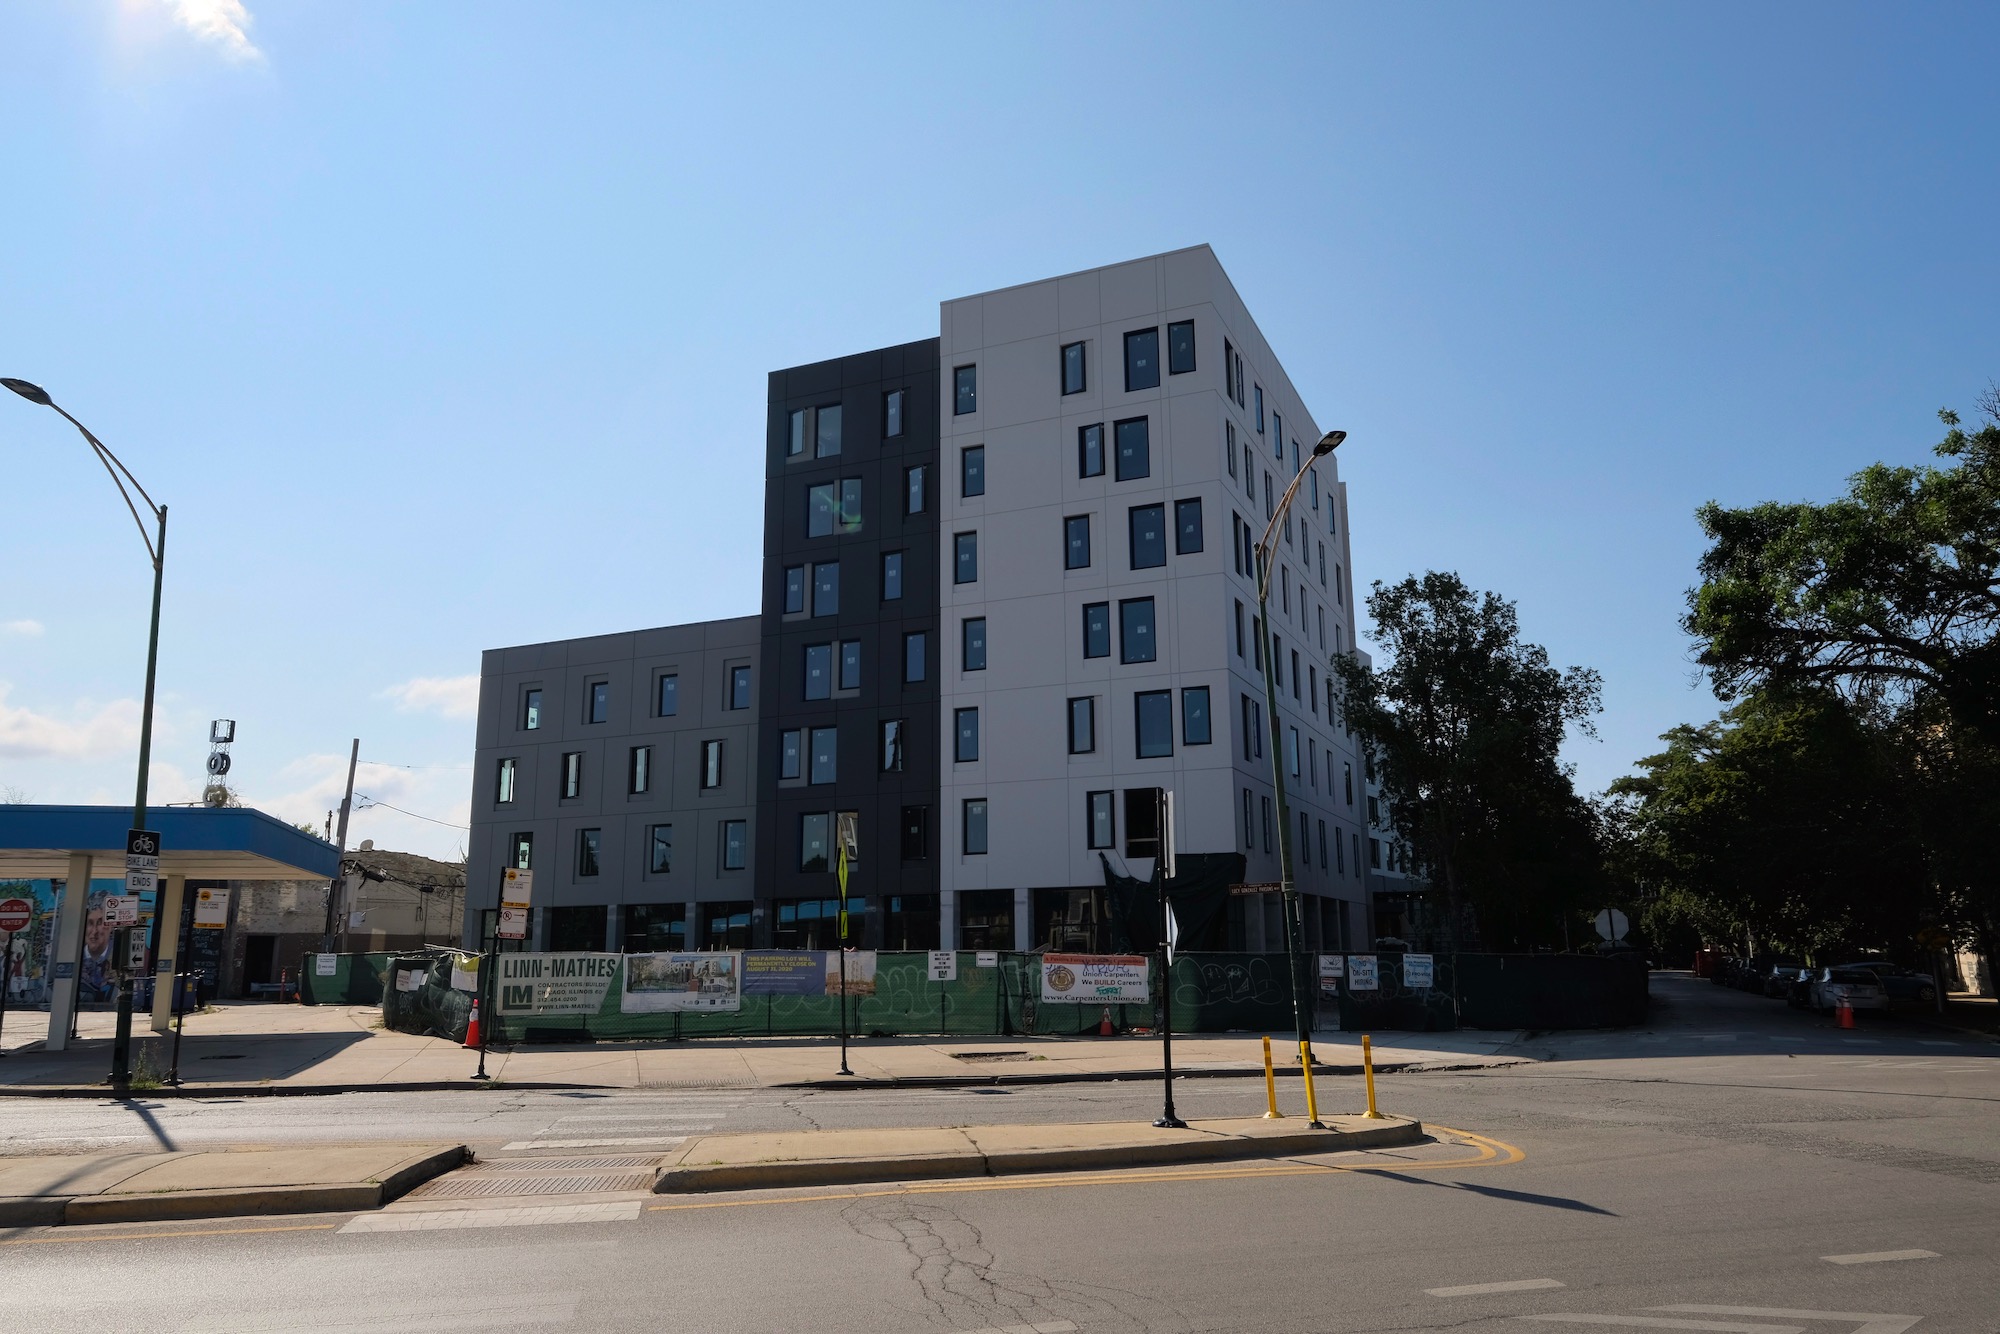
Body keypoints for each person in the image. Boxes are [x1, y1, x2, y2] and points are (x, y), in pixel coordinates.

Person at [78, 892, 116, 1004]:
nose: (94, 931)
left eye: (100, 923)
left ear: (112, 926)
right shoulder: (73, 957)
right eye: (90, 923)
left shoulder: (119, 957)